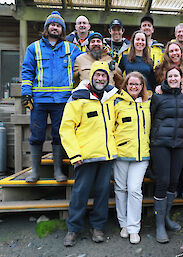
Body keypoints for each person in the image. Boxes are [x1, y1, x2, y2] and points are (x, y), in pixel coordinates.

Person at [60, 61, 118, 247]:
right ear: (91, 77)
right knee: (80, 194)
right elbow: (66, 128)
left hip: (107, 156)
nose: (100, 78)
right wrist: (74, 154)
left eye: (104, 76)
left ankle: (98, 227)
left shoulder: (112, 97)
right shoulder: (78, 98)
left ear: (108, 78)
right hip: (84, 156)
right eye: (97, 75)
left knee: (102, 193)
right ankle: (73, 229)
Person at [21, 11, 82, 183]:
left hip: (63, 101)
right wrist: (26, 93)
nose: (55, 27)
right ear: (47, 28)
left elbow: (84, 63)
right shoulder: (34, 48)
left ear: (62, 30)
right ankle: (35, 172)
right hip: (39, 100)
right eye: (52, 25)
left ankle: (58, 171)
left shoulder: (72, 49)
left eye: (58, 25)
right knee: (37, 135)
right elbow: (27, 71)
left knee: (59, 135)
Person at [151, 66, 183, 243]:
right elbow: (150, 118)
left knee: (174, 182)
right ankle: (159, 225)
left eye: (176, 76)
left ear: (181, 78)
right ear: (165, 78)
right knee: (163, 181)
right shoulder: (157, 96)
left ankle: (166, 218)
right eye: (170, 76)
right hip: (161, 144)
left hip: (179, 144)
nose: (173, 78)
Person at [113, 72, 150, 244]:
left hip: (141, 154)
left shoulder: (148, 103)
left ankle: (134, 227)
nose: (134, 87)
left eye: (138, 84)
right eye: (131, 84)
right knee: (120, 188)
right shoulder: (116, 102)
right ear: (126, 85)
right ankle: (124, 224)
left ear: (142, 86)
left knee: (134, 189)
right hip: (121, 153)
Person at [118, 30, 156, 95]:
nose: (140, 42)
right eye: (138, 39)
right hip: (129, 94)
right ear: (133, 41)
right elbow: (118, 76)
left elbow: (152, 82)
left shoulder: (150, 61)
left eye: (142, 40)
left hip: (146, 95)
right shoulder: (124, 58)